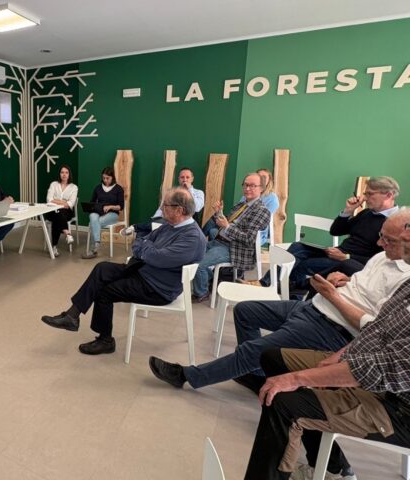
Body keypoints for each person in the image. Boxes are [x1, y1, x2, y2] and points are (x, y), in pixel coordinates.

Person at [148, 210, 410, 398]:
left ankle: (188, 376)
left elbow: (372, 328)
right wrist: (345, 279)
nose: (379, 243)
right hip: (314, 307)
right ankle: (256, 374)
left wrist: (334, 296)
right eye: (381, 236)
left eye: (388, 239)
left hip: (334, 328)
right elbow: (366, 286)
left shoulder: (405, 281)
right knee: (245, 311)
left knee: (253, 349)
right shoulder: (382, 257)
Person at [242, 218, 410, 480]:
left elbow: (389, 367)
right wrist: (340, 356)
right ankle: (333, 466)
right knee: (274, 359)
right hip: (373, 373)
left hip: (398, 407)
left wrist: (298, 379)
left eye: (393, 238)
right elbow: (379, 329)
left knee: (284, 402)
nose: (380, 243)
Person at [40, 188, 206, 355]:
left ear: (179, 210)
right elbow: (141, 241)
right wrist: (147, 248)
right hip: (143, 271)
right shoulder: (170, 226)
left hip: (158, 288)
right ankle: (72, 316)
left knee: (104, 292)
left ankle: (105, 341)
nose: (162, 208)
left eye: (165, 205)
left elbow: (156, 257)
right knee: (102, 268)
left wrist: (147, 248)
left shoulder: (192, 238)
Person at [265, 176, 400, 288]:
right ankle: (268, 283)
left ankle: (289, 292)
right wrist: (348, 211)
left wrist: (347, 257)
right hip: (339, 253)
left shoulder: (395, 223)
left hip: (352, 262)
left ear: (389, 195)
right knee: (297, 247)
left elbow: (383, 259)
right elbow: (335, 231)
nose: (364, 198)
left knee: (304, 265)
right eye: (365, 193)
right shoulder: (367, 213)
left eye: (370, 194)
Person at [191, 172, 271, 302]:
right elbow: (227, 222)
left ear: (261, 188)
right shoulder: (242, 205)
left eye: (252, 186)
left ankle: (202, 293)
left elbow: (249, 238)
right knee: (191, 253)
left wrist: (227, 227)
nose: (247, 188)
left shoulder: (262, 211)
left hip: (234, 248)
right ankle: (209, 279)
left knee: (199, 264)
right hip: (219, 241)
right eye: (245, 185)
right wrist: (219, 213)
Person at [121, 167, 204, 238]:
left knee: (155, 227)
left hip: (181, 221)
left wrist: (189, 190)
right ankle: (141, 237)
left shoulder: (198, 193)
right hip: (165, 219)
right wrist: (155, 218)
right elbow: (162, 208)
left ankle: (135, 227)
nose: (185, 180)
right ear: (179, 179)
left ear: (192, 179)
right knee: (142, 234)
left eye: (187, 177)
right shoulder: (172, 192)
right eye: (182, 177)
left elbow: (197, 208)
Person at [82, 167, 125, 259]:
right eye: (103, 178)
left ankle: (93, 250)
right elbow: (92, 202)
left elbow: (121, 207)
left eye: (107, 178)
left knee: (94, 223)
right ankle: (97, 243)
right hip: (99, 212)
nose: (105, 180)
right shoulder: (98, 188)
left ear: (112, 177)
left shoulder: (118, 189)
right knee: (92, 215)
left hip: (113, 214)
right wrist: (93, 207)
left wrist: (110, 207)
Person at [44, 165, 78, 257]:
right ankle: (67, 232)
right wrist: (64, 202)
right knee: (57, 214)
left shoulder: (74, 187)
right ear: (59, 174)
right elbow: (49, 199)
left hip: (67, 212)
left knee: (58, 215)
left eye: (66, 172)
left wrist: (57, 201)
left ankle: (54, 247)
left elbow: (70, 203)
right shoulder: (53, 184)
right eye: (62, 172)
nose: (64, 174)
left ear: (69, 174)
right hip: (52, 211)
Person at [242, 168, 279, 245]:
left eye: (264, 177)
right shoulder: (249, 193)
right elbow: (238, 211)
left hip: (255, 230)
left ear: (269, 181)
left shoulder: (272, 198)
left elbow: (262, 219)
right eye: (259, 176)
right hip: (239, 224)